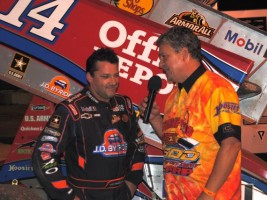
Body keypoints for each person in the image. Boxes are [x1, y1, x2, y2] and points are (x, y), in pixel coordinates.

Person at [139, 26, 242, 200]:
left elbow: (231, 144)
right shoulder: (174, 94)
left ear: (184, 54)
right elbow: (176, 145)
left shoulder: (216, 89)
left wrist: (208, 195)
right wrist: (156, 119)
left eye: (164, 57)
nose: (160, 63)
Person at [32, 47, 145, 200]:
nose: (113, 82)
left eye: (116, 75)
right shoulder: (71, 110)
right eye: (106, 76)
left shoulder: (124, 104)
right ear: (90, 77)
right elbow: (43, 155)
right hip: (84, 194)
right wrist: (67, 196)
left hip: (120, 193)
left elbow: (138, 144)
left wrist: (132, 182)